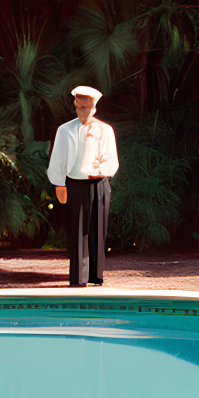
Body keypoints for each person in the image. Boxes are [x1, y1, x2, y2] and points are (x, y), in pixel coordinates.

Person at [47, 86, 119, 287]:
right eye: (78, 107)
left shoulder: (105, 130)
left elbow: (111, 159)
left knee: (98, 228)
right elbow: (58, 159)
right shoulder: (65, 130)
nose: (81, 111)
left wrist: (102, 169)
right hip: (75, 183)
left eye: (85, 107)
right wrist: (59, 183)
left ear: (94, 108)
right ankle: (78, 277)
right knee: (78, 230)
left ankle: (96, 275)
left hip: (99, 183)